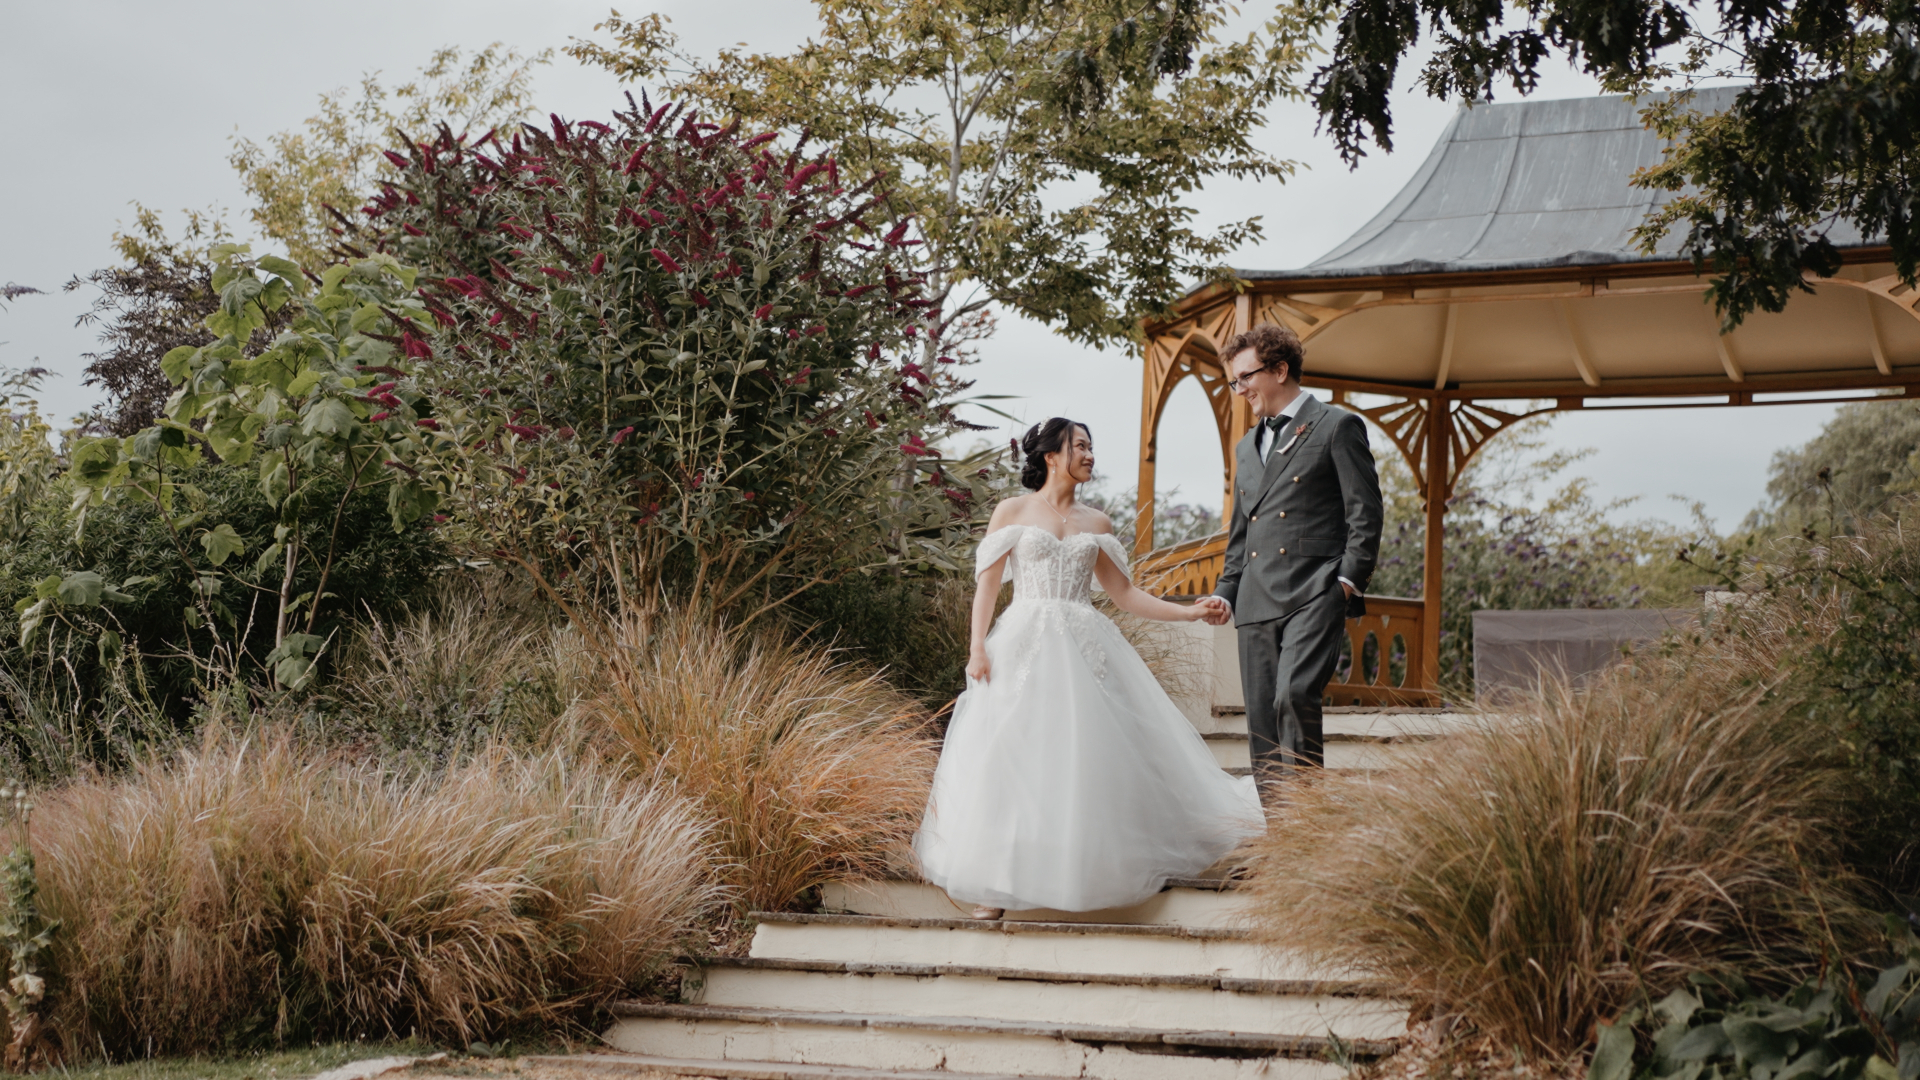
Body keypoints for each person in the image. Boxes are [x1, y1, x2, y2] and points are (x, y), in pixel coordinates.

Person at [913, 418, 1262, 920]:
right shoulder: (1012, 510)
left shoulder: (1096, 523)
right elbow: (988, 587)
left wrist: (1189, 611)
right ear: (1052, 455)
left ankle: (1086, 868)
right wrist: (977, 648)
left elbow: (1124, 595)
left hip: (1084, 645)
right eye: (1080, 446)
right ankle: (995, 887)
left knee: (1081, 756)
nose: (1090, 454)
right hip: (1022, 643)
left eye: (1091, 446)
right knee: (1008, 753)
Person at [1198, 323, 1383, 806]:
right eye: (1233, 382)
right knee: (1262, 722)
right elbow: (1242, 533)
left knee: (1293, 697)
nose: (1239, 391)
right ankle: (1282, 840)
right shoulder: (1245, 446)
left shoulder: (1337, 426)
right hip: (1256, 601)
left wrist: (1346, 583)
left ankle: (1307, 832)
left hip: (1313, 592)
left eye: (1244, 378)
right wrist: (1225, 590)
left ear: (1280, 369)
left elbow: (1365, 513)